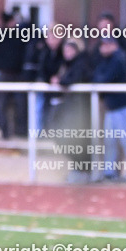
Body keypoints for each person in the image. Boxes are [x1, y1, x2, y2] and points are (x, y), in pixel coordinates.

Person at [92, 36, 126, 182]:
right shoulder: (105, 60)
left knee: (125, 141)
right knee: (109, 141)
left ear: (114, 45)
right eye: (102, 45)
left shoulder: (119, 59)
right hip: (111, 108)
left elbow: (106, 79)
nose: (103, 48)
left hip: (122, 108)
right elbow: (96, 76)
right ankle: (109, 172)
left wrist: (99, 79)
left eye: (106, 45)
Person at [50, 39, 93, 183]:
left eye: (70, 50)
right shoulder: (66, 65)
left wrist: (60, 81)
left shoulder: (81, 63)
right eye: (66, 50)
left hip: (79, 109)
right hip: (70, 107)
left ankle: (83, 170)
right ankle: (79, 168)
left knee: (77, 138)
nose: (67, 53)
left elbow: (73, 79)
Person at [0, 11, 28, 139]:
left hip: (18, 74)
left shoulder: (19, 37)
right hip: (4, 74)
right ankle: (5, 132)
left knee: (20, 103)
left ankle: (20, 131)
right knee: (3, 104)